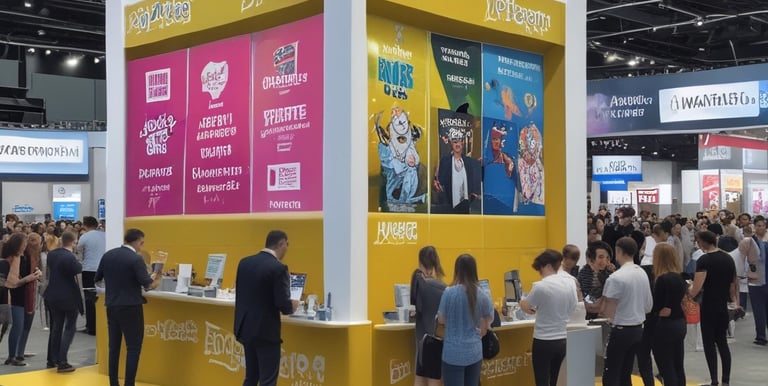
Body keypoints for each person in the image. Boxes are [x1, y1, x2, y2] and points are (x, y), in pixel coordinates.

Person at [95, 229, 162, 386]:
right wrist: (157, 278)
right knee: (133, 348)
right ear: (139, 242)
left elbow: (97, 279)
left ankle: (113, 383)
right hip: (131, 307)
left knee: (114, 347)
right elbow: (148, 285)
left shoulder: (108, 255)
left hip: (111, 305)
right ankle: (129, 384)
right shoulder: (136, 259)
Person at [234, 230, 299, 386]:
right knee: (268, 380)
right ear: (281, 243)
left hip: (245, 329)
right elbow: (283, 305)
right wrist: (293, 305)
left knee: (251, 377)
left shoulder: (244, 262)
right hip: (265, 332)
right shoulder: (278, 268)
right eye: (287, 245)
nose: (286, 249)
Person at [599, 237, 653, 386]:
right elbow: (648, 305)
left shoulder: (616, 277)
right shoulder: (642, 273)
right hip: (638, 329)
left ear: (618, 251)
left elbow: (608, 312)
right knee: (625, 372)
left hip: (621, 329)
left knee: (611, 374)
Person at [689, 230, 740, 386]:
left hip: (708, 306)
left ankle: (714, 380)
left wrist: (689, 292)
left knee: (709, 344)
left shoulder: (704, 260)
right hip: (722, 306)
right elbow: (733, 285)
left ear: (704, 242)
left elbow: (697, 287)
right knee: (722, 343)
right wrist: (735, 301)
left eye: (698, 242)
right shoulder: (728, 259)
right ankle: (726, 380)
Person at [520, 250, 577, 386]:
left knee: (541, 380)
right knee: (554, 379)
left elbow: (527, 307)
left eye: (540, 269)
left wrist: (521, 302)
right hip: (562, 338)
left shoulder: (541, 286)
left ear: (547, 266)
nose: (540, 273)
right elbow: (573, 306)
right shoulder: (570, 284)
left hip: (543, 340)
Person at [437, 254, 493, 386]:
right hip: (474, 352)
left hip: (453, 353)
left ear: (457, 270)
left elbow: (441, 320)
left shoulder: (449, 293)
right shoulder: (483, 294)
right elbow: (485, 329)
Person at [44, 231, 82, 373]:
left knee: (56, 328)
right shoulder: (70, 257)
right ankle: (62, 361)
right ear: (74, 242)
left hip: (52, 294)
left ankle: (52, 359)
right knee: (70, 328)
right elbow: (78, 269)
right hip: (68, 297)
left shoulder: (52, 255)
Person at [1, 233, 41, 366]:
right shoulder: (11, 259)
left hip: (20, 295)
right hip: (13, 296)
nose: (27, 245)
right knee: (17, 326)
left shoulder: (24, 257)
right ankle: (12, 356)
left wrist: (36, 273)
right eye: (25, 243)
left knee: (21, 326)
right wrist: (29, 278)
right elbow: (12, 283)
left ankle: (17, 354)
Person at [650, 243, 687, 386]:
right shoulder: (679, 278)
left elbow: (658, 306)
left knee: (666, 367)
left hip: (665, 327)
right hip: (679, 323)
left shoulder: (662, 279)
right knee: (678, 365)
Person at [410, 246, 446, 386]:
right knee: (434, 380)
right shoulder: (443, 288)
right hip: (437, 339)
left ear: (420, 263)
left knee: (419, 377)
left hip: (421, 339)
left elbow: (416, 309)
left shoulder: (419, 283)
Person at [433, 128, 481, 214]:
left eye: (459, 142)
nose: (457, 144)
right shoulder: (445, 161)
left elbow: (475, 178)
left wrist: (474, 194)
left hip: (466, 205)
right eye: (455, 142)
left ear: (462, 144)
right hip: (449, 205)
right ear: (451, 144)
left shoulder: (469, 162)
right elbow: (440, 181)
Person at [75, 216, 105, 336]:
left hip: (89, 269)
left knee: (89, 298)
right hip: (104, 268)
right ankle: (102, 324)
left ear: (85, 225)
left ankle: (91, 326)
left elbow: (78, 250)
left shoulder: (84, 237)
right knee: (102, 296)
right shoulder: (105, 235)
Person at [578, 241, 612, 319]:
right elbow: (587, 300)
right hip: (589, 317)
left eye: (607, 258)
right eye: (600, 257)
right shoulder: (584, 275)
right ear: (590, 260)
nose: (605, 261)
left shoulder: (607, 274)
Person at [747, 216, 768, 345]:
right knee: (758, 309)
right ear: (754, 227)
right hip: (755, 280)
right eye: (758, 225)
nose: (761, 227)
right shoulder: (749, 241)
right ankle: (760, 335)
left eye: (763, 225)